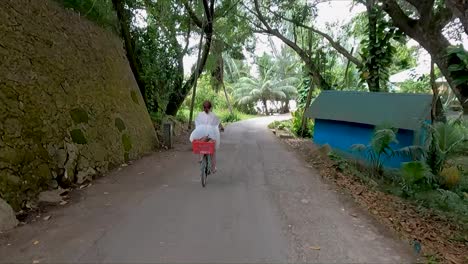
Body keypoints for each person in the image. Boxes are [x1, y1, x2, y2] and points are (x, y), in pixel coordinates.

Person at [189, 101, 224, 172]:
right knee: (213, 150)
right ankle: (213, 168)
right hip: (212, 134)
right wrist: (222, 127)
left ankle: (201, 157)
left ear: (203, 107)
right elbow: (218, 123)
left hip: (201, 133)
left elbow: (197, 123)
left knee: (201, 143)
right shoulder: (213, 115)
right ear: (211, 108)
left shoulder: (200, 114)